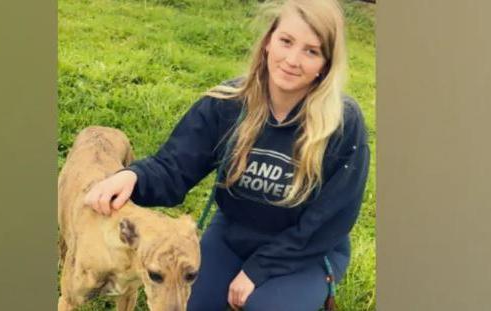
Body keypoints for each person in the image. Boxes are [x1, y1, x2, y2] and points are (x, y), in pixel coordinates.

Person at [84, 0, 370, 310]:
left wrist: (258, 270)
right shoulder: (229, 103)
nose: (292, 60)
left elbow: (330, 220)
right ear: (268, 43)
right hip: (233, 233)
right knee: (193, 303)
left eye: (311, 51)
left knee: (265, 307)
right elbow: (176, 164)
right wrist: (134, 176)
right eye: (286, 41)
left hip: (305, 249)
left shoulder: (342, 124)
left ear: (325, 65)